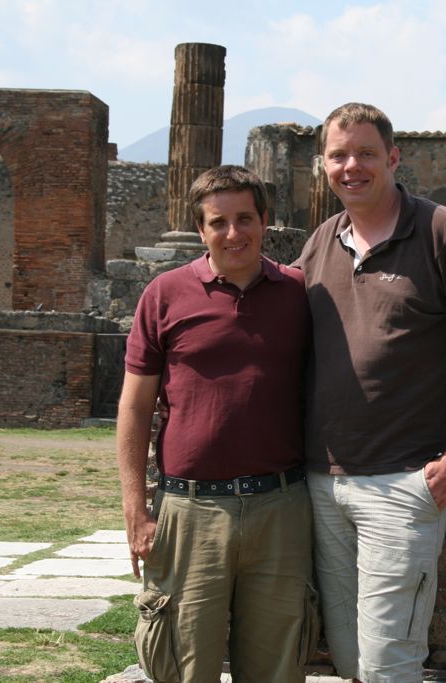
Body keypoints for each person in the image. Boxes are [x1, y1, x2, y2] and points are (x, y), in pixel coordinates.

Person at [296, 103, 446, 683]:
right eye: (339, 155)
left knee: (389, 665)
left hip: (403, 483)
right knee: (348, 656)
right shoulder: (322, 241)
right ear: (323, 165)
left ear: (393, 159)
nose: (352, 167)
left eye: (366, 154)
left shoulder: (444, 233)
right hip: (325, 483)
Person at [117, 165, 315, 683]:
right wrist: (137, 511)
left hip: (281, 508)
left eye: (244, 218)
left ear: (265, 221)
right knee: (184, 669)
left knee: (279, 669)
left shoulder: (300, 294)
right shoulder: (164, 295)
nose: (233, 233)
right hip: (190, 510)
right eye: (218, 222)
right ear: (200, 230)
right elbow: (134, 408)